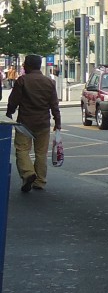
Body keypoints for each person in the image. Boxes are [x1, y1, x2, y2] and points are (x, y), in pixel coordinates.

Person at [6, 54, 63, 192]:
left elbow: (14, 100)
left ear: (29, 65)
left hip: (25, 123)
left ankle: (28, 173)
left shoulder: (22, 81)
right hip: (43, 123)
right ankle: (40, 181)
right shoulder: (49, 82)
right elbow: (54, 105)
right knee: (41, 153)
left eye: (25, 63)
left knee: (22, 149)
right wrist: (57, 122)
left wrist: (9, 113)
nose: (23, 65)